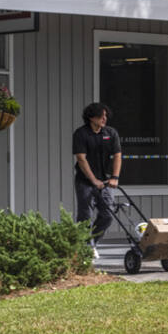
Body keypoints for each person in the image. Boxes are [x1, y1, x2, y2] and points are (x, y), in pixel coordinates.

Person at [72, 102, 122, 244]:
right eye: (101, 116)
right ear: (91, 118)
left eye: (106, 115)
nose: (104, 118)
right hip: (85, 182)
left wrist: (115, 177)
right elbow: (81, 159)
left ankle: (90, 243)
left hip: (106, 182)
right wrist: (93, 180)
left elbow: (118, 155)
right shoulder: (81, 134)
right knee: (85, 216)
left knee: (108, 215)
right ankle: (82, 248)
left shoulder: (110, 133)